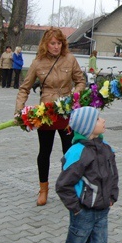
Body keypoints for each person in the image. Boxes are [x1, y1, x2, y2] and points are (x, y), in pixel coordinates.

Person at [15, 28, 85, 206]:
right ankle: (43, 189)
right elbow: (25, 87)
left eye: (59, 43)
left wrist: (75, 95)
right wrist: (19, 109)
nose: (56, 47)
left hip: (67, 111)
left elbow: (81, 81)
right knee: (44, 152)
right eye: (52, 43)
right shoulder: (38, 62)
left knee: (70, 152)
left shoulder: (70, 59)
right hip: (46, 113)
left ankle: (69, 188)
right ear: (46, 44)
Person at [49, 106, 118, 243]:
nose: (103, 120)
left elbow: (113, 175)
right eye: (97, 119)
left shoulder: (107, 148)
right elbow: (63, 185)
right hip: (83, 213)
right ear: (87, 127)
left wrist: (112, 196)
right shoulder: (77, 152)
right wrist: (76, 208)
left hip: (102, 212)